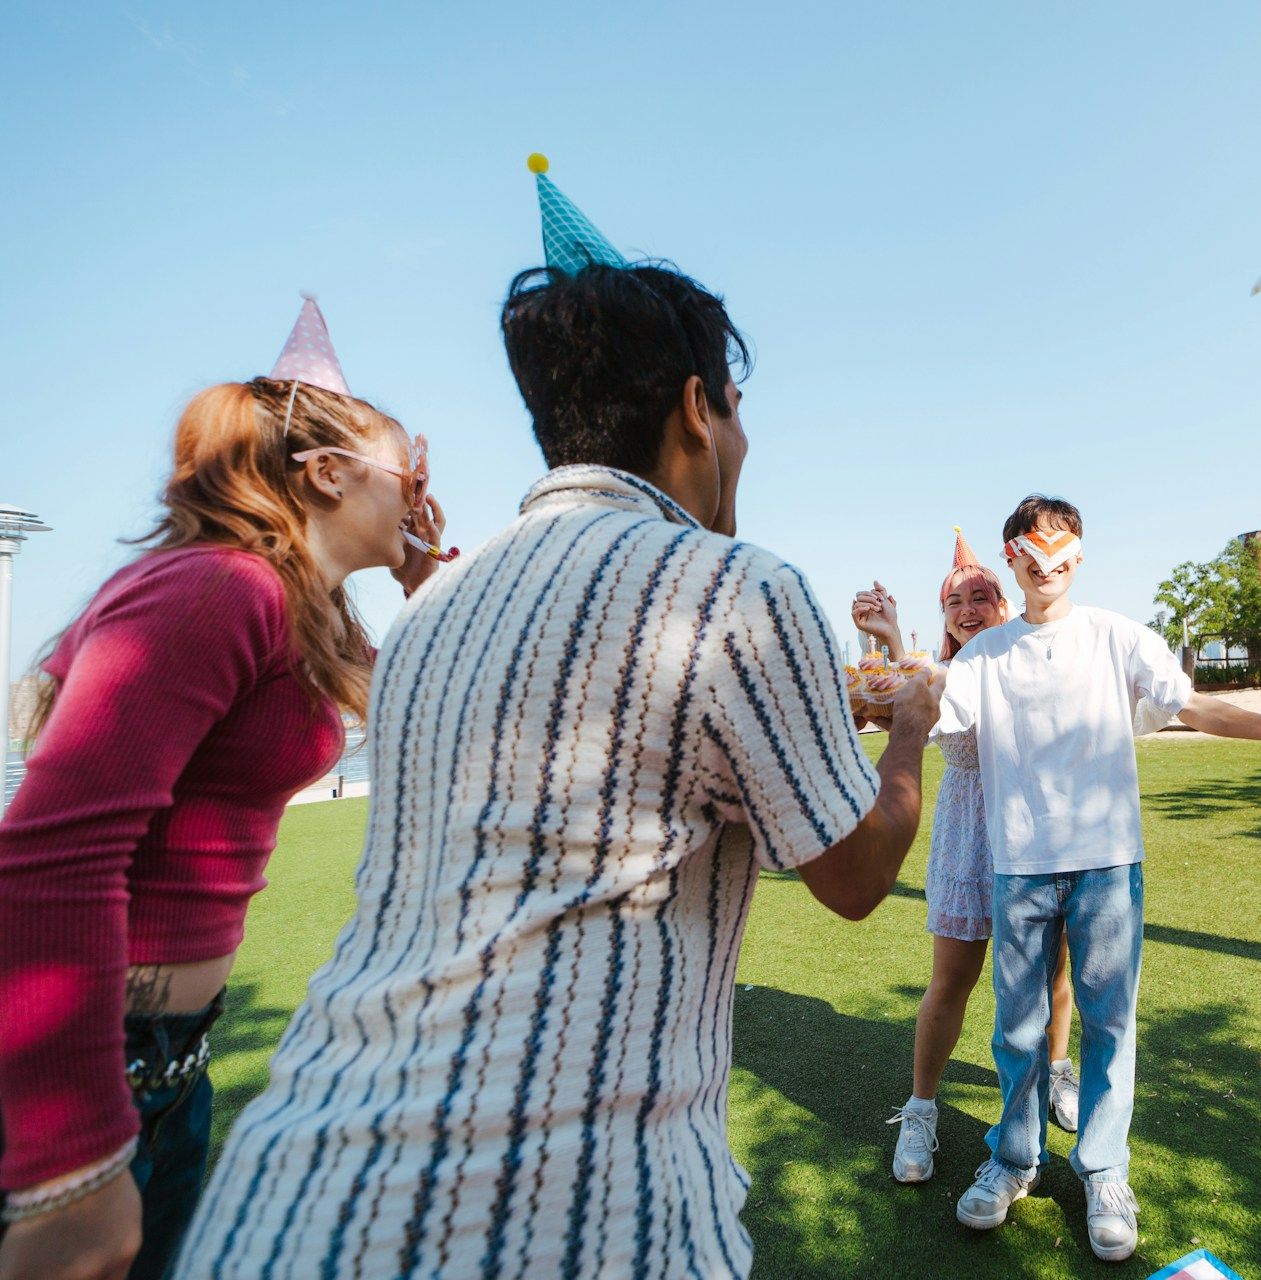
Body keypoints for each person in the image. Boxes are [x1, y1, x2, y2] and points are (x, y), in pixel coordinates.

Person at [171, 159, 937, 1280]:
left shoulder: (435, 610)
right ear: (695, 405)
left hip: (282, 1202)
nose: (744, 441)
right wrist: (911, 731)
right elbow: (856, 874)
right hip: (574, 1213)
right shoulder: (736, 591)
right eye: (734, 410)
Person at [0, 297, 448, 1280]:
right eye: (405, 469)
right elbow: (50, 852)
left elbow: (436, 691)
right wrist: (68, 1161)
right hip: (84, 1068)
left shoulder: (298, 610)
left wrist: (418, 566)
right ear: (328, 473)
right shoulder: (221, 587)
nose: (421, 486)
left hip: (163, 1064)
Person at [938, 495, 1261, 1262]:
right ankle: (1013, 1160)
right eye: (1035, 552)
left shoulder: (1117, 635)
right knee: (1017, 1029)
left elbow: (1188, 705)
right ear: (1012, 555)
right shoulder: (981, 656)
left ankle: (1105, 1171)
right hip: (1019, 867)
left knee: (1109, 1024)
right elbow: (926, 716)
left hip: (1108, 864)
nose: (1049, 565)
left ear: (1080, 553)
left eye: (1064, 549)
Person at [848, 530, 1078, 1187]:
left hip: (1040, 836)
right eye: (957, 600)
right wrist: (890, 639)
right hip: (971, 841)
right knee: (950, 981)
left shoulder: (1032, 660)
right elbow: (922, 709)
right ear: (945, 615)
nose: (971, 606)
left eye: (984, 595)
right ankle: (921, 1109)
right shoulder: (939, 672)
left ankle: (1059, 1068)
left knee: (1052, 977)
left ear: (1005, 605)